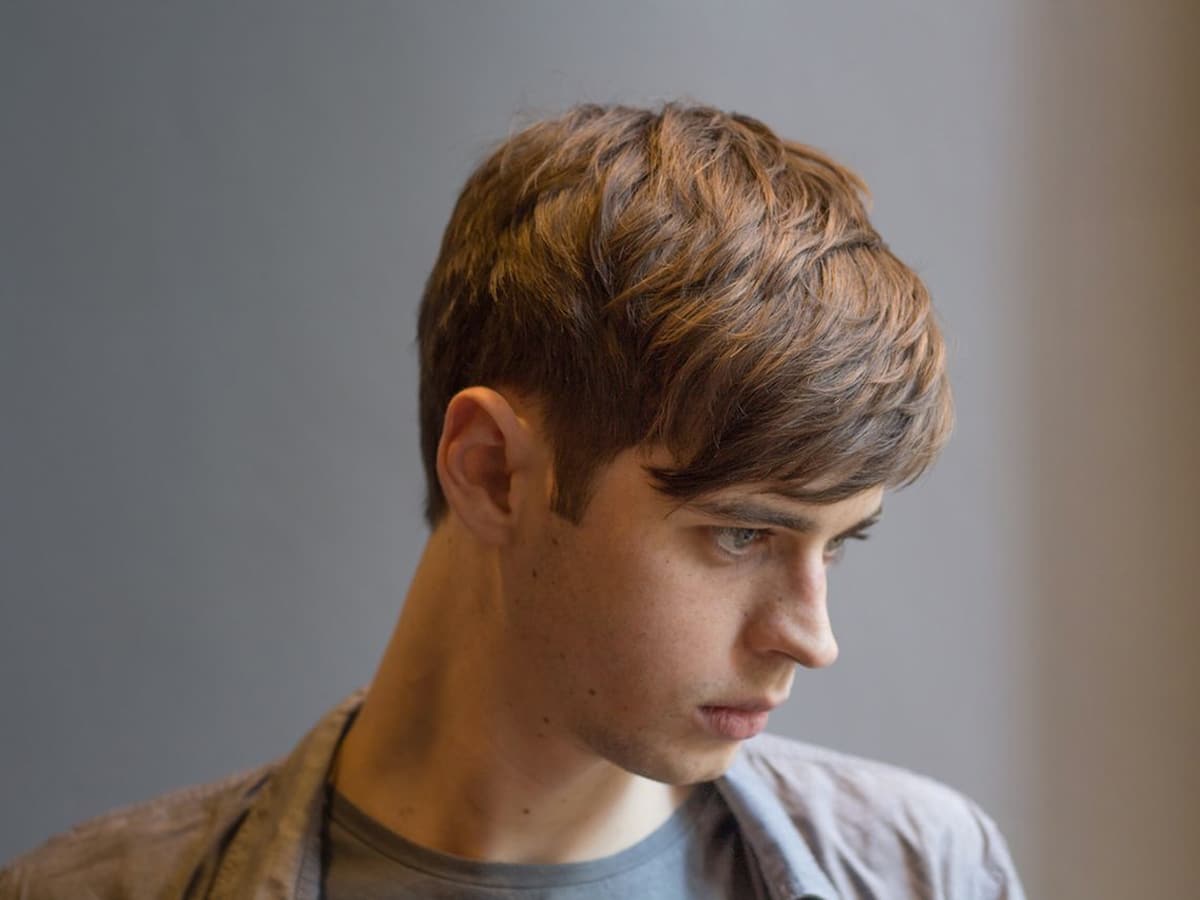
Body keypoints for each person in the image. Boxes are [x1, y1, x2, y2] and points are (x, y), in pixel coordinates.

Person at [0, 102, 1025, 899]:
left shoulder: (922, 871)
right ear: (491, 469)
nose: (811, 637)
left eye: (838, 545)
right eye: (743, 531)